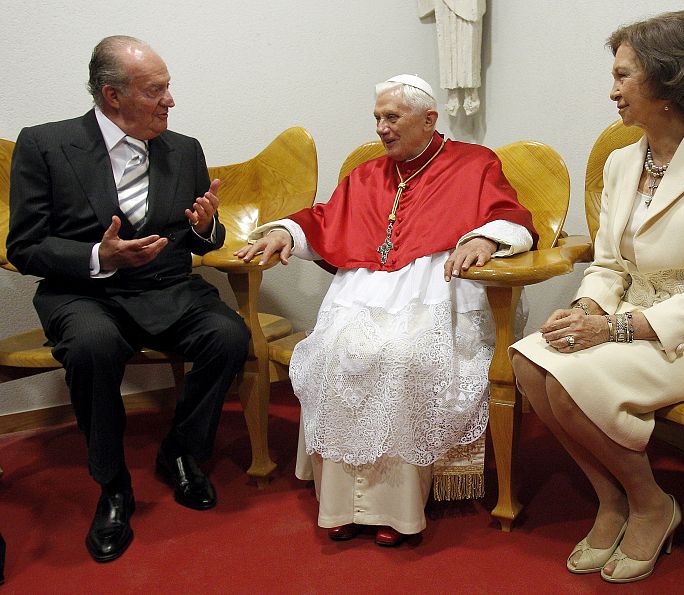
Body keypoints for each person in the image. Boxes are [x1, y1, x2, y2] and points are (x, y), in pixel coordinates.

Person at [511, 11, 684, 584]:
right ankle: (611, 497)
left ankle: (652, 503)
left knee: (571, 382)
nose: (613, 90)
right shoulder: (624, 163)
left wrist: (615, 330)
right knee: (530, 362)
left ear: (669, 82)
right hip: (630, 319)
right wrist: (587, 309)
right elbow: (610, 265)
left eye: (625, 76)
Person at [236, 74, 536, 546]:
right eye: (377, 117)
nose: (381, 128)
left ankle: (394, 511)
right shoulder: (366, 175)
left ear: (429, 119)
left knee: (405, 358)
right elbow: (323, 218)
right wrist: (284, 233)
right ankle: (341, 504)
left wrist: (482, 236)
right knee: (334, 355)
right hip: (367, 289)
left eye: (392, 117)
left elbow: (511, 215)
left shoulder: (474, 163)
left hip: (437, 290)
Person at [6, 36, 250, 563]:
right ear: (111, 95)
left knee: (229, 336)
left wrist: (207, 229)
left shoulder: (183, 148)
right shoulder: (45, 145)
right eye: (155, 90)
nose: (170, 100)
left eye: (168, 88)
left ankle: (182, 452)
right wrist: (100, 256)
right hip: (85, 292)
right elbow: (24, 246)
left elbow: (198, 237)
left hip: (167, 287)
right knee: (94, 347)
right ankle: (113, 484)